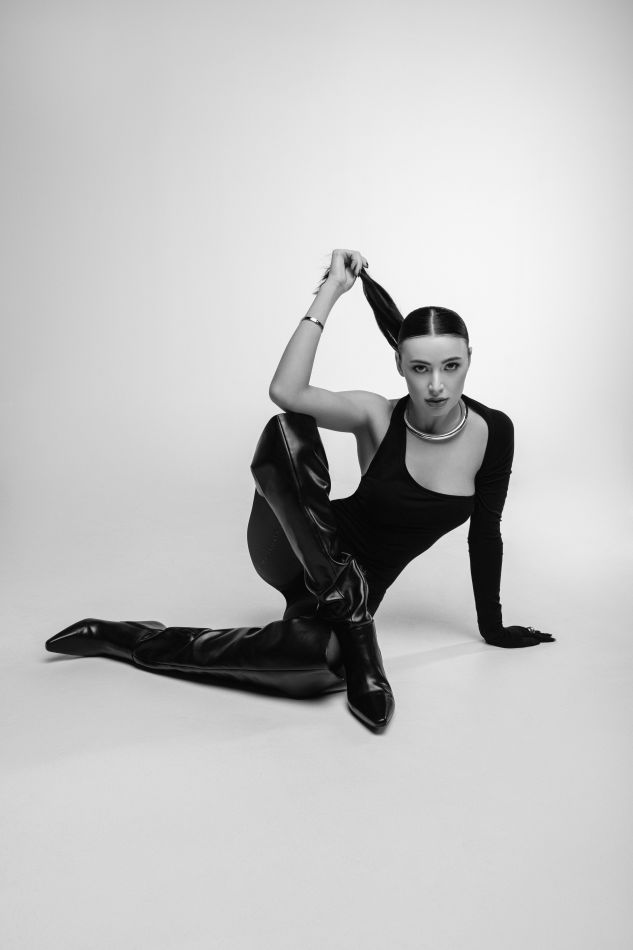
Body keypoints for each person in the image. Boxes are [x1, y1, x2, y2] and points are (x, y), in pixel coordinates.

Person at [45, 248, 555, 734]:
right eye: (420, 368)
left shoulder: (494, 432)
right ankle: (356, 626)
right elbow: (286, 392)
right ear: (400, 365)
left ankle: (123, 637)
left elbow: (485, 535)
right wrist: (331, 290)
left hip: (353, 588)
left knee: (312, 663)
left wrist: (493, 628)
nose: (436, 385)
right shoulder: (376, 415)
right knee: (288, 430)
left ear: (469, 360)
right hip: (293, 544)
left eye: (451, 366)